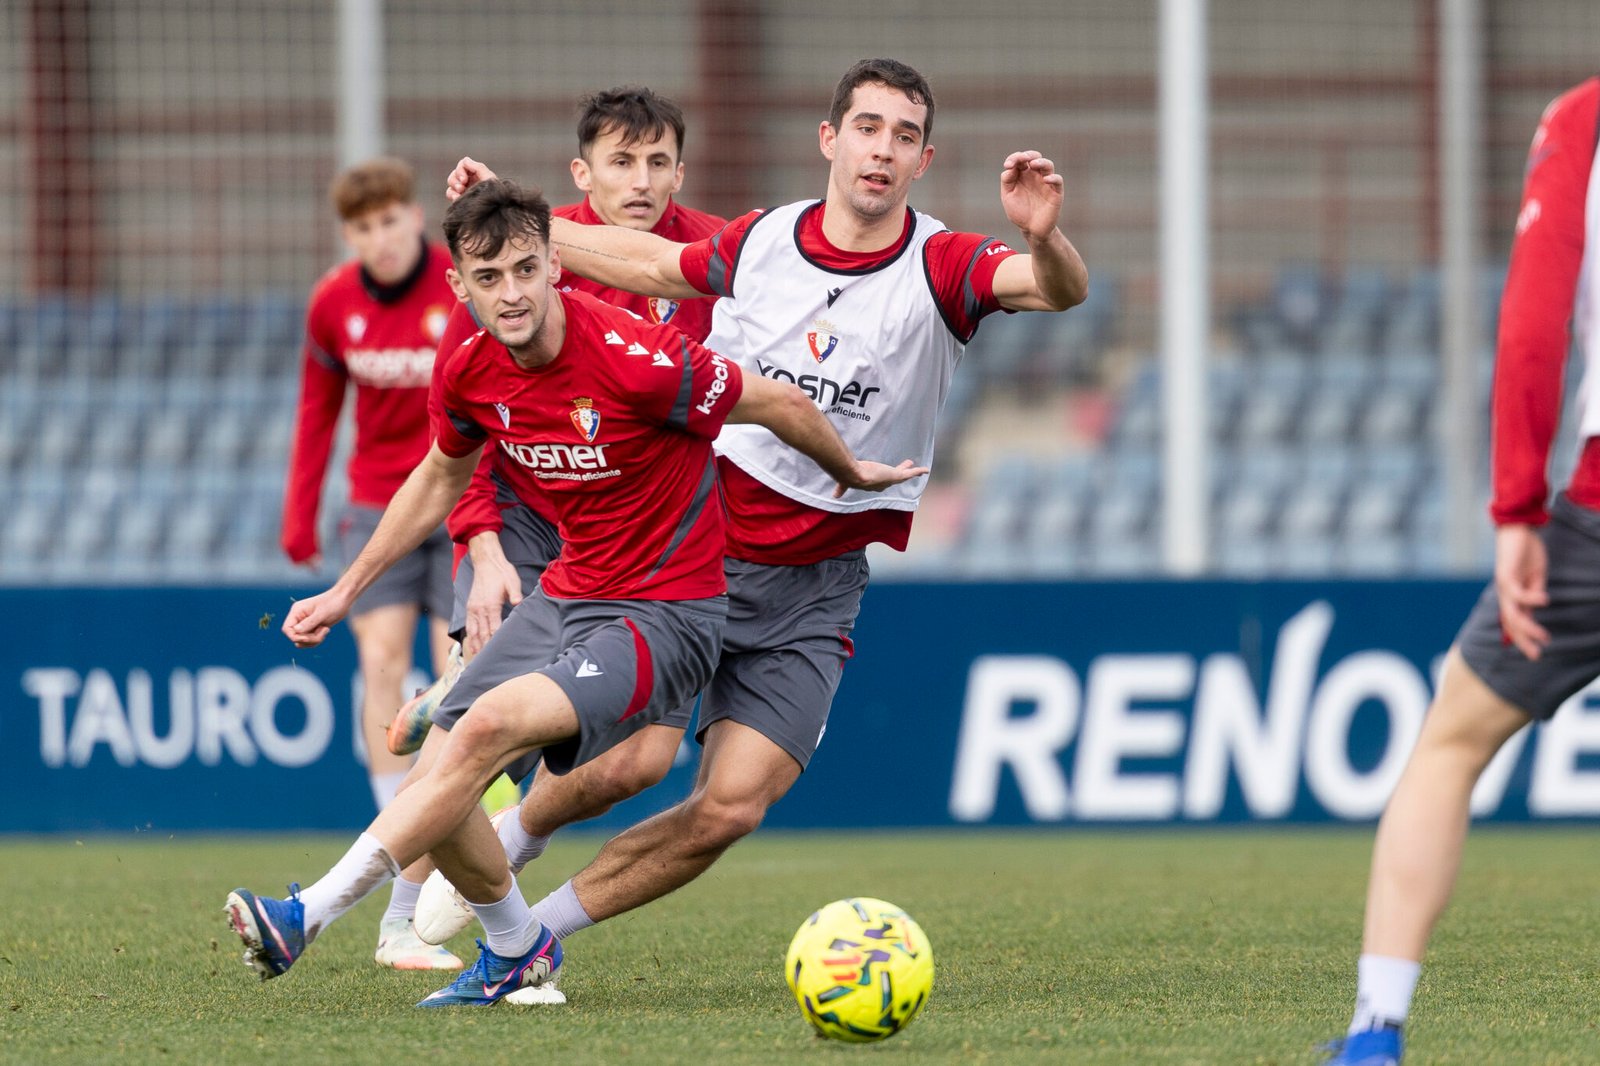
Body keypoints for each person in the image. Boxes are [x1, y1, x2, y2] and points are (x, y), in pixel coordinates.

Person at [416, 58, 1087, 983]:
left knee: (730, 806)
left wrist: (1047, 241)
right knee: (631, 764)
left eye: (902, 135)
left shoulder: (943, 263)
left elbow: (1053, 289)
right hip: (700, 546)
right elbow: (653, 261)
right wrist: (529, 235)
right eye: (866, 127)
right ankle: (515, 834)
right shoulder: (765, 240)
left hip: (818, 583)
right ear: (830, 139)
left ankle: (534, 940)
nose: (880, 149)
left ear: (923, 159)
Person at [223, 179, 925, 1007]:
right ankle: (517, 948)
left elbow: (771, 399)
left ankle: (302, 914)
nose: (512, 293)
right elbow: (439, 477)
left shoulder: (639, 360)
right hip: (571, 593)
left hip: (668, 612)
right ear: (459, 285)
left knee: (486, 732)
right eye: (490, 278)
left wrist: (852, 473)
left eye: (527, 269)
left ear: (555, 263)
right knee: (445, 772)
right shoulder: (470, 367)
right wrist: (348, 587)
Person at [373, 88, 728, 968]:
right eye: (620, 162)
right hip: (527, 514)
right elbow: (467, 416)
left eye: (656, 163)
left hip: (640, 533)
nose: (639, 181)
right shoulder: (520, 250)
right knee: (480, 733)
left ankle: (508, 837)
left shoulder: (708, 256)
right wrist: (482, 545)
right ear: (583, 173)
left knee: (641, 766)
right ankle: (397, 920)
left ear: (680, 171)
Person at [1321, 78, 1600, 1066]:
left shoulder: (1584, 119)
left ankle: (1374, 1032)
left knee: (1449, 741)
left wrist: (1517, 509)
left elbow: (1533, 325)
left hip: (1593, 518)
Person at [279, 157, 461, 971]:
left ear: (415, 216)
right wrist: (299, 513)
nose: (379, 239)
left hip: (460, 502)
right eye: (362, 228)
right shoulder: (332, 304)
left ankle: (419, 857)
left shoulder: (458, 284)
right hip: (374, 513)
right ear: (348, 237)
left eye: (390, 220)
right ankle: (399, 824)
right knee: (382, 664)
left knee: (454, 672)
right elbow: (320, 411)